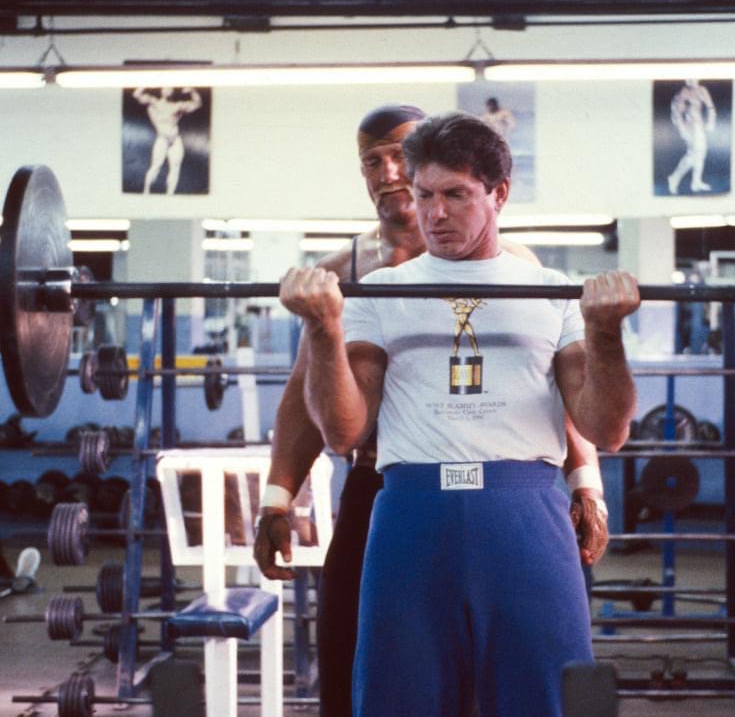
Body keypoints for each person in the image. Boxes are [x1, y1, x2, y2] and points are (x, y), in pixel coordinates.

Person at [252, 105, 609, 717]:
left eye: (400, 155)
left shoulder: (518, 269)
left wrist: (586, 482)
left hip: (511, 492)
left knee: (522, 674)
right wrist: (278, 496)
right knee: (369, 670)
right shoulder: (346, 276)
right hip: (386, 487)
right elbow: (303, 398)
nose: (389, 173)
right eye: (374, 161)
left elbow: (546, 380)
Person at [132, 86, 203, 195]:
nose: (167, 91)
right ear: (161, 90)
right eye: (165, 88)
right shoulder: (154, 102)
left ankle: (170, 195)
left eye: (170, 89)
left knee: (175, 168)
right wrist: (145, 82)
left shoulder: (178, 105)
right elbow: (136, 95)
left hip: (175, 140)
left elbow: (197, 104)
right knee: (156, 166)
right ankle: (146, 192)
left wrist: (192, 90)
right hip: (162, 139)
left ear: (173, 91)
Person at [665, 79, 717, 195]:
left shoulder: (702, 90)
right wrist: (682, 130)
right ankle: (674, 177)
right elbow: (677, 114)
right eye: (690, 78)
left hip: (700, 125)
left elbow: (710, 106)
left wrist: (711, 121)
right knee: (694, 153)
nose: (693, 80)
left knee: (700, 153)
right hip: (690, 127)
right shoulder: (683, 93)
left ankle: (696, 182)